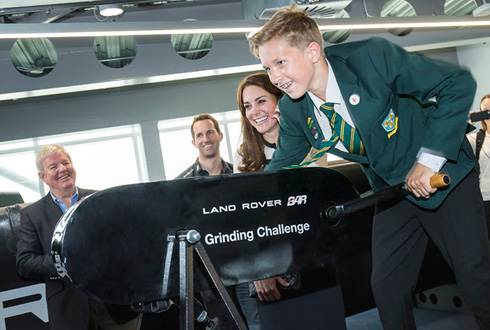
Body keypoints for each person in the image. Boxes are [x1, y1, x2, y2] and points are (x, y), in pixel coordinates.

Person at [248, 4, 490, 330]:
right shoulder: (295, 110)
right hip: (394, 190)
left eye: (280, 63)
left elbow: (457, 84)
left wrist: (428, 160)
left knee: (475, 278)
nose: (275, 78)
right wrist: (240, 200)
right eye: (268, 69)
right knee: (388, 287)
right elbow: (281, 166)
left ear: (313, 51)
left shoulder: (371, 59)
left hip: (447, 178)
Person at [16, 144, 138, 330]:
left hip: (115, 304)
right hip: (70, 309)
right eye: (53, 167)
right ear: (43, 177)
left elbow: (127, 242)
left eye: (65, 163)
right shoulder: (32, 214)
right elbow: (24, 263)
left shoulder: (100, 199)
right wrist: (67, 261)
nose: (62, 169)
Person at [176, 113, 232, 178]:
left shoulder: (238, 173)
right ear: (194, 143)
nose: (206, 140)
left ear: (220, 136)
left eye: (210, 132)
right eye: (199, 135)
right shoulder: (181, 182)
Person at [468, 93, 490, 236]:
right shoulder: (475, 139)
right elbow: (452, 143)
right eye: (485, 111)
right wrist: (466, 124)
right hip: (485, 201)